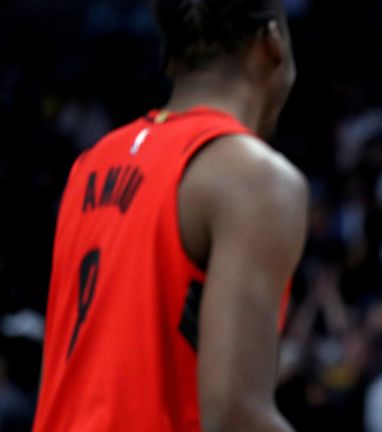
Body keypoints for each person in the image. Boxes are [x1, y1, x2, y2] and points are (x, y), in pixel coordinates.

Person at [33, 0, 307, 431]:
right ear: (272, 42)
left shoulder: (89, 166)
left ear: (169, 56)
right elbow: (235, 416)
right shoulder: (253, 176)